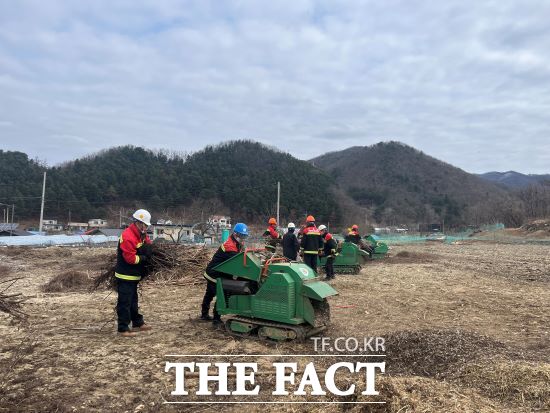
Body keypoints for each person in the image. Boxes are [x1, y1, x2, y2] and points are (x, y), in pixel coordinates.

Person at [114, 209, 153, 337]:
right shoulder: (128, 236)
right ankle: (123, 328)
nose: (146, 227)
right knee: (125, 302)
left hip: (134, 274)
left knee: (133, 300)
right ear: (139, 223)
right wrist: (143, 258)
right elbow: (130, 259)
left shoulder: (141, 234)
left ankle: (137, 322)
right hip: (125, 275)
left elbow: (147, 243)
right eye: (145, 225)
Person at [201, 223, 248, 326]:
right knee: (221, 294)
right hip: (214, 273)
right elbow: (237, 262)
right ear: (235, 234)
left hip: (217, 270)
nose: (243, 238)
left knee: (209, 293)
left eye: (244, 236)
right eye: (242, 236)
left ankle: (204, 315)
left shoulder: (236, 242)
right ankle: (216, 320)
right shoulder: (230, 246)